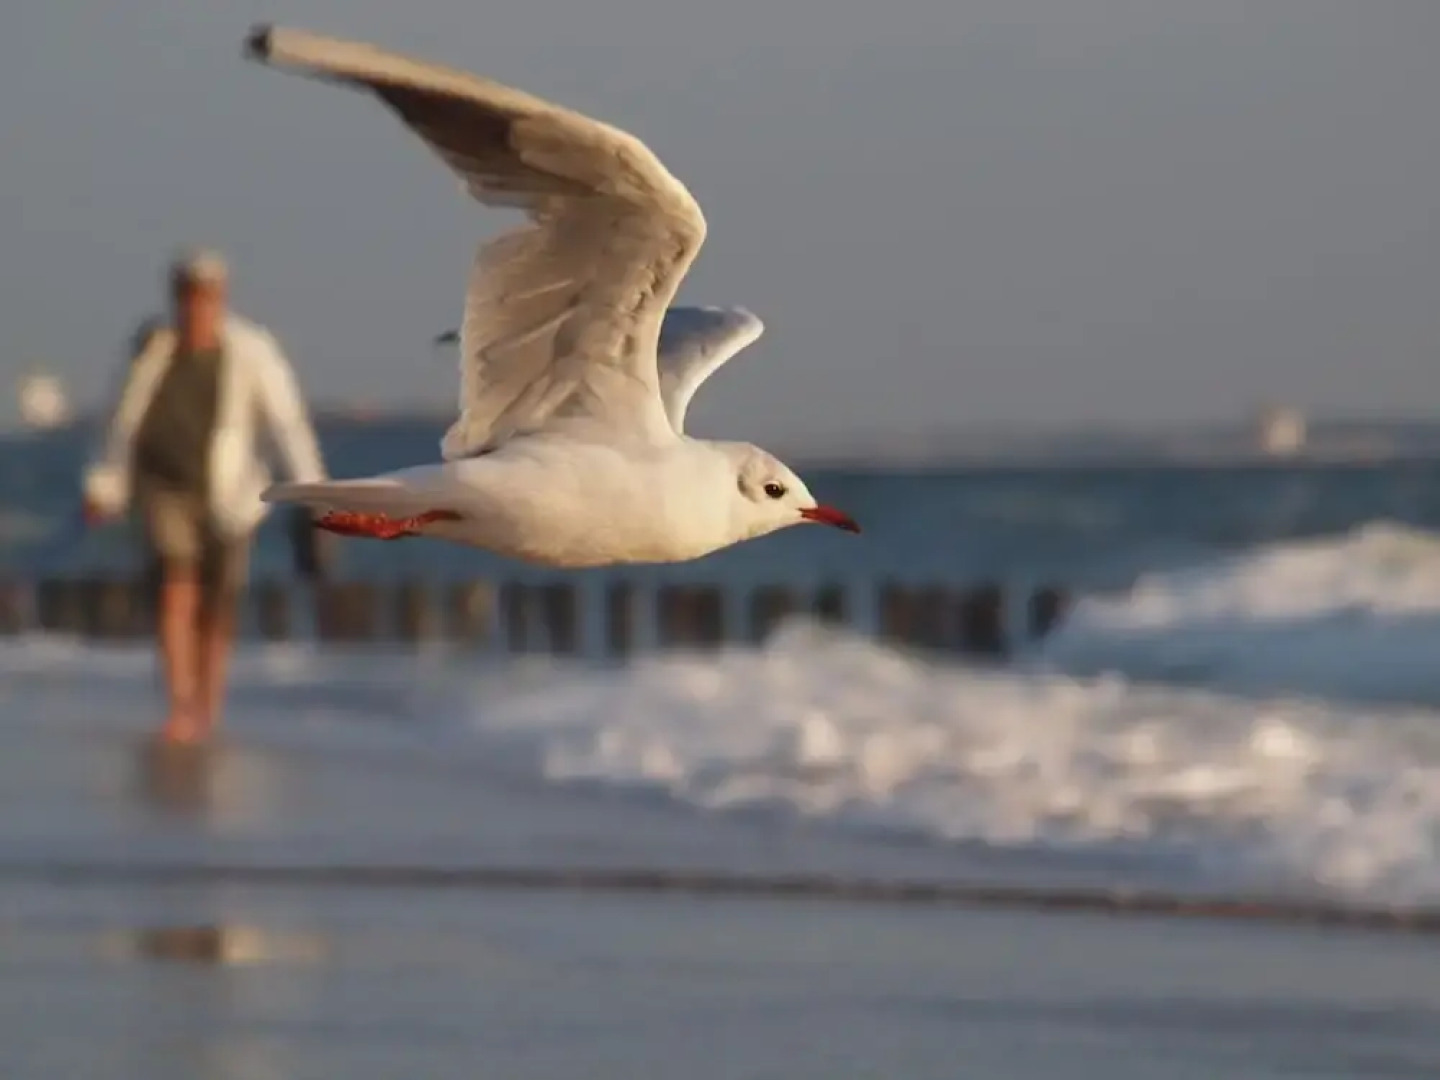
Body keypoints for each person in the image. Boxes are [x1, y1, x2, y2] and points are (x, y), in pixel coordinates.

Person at [83, 249, 327, 745]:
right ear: (176, 300)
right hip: (163, 488)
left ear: (221, 300)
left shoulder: (251, 351)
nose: (197, 308)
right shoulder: (152, 349)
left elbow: (286, 424)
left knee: (218, 605)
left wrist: (312, 490)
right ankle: (180, 707)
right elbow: (120, 421)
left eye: (206, 299)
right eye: (189, 298)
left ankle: (206, 707)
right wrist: (104, 486)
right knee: (175, 589)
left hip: (232, 495)